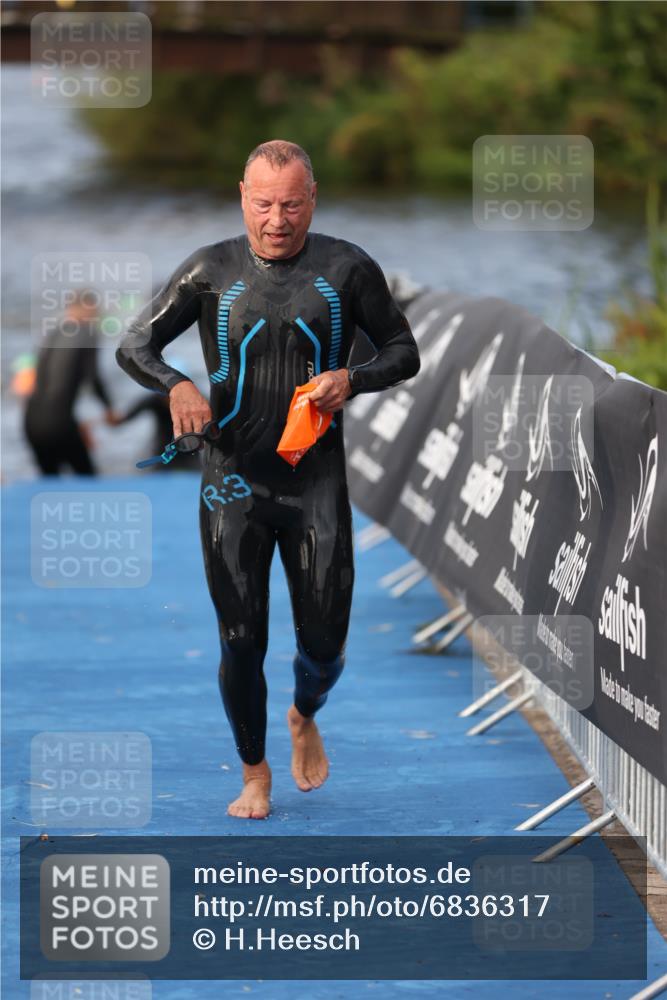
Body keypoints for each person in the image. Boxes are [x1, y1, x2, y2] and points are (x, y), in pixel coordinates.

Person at [116, 140, 420, 819]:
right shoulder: (209, 270)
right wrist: (176, 384)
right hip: (230, 485)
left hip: (314, 483)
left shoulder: (346, 268)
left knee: (324, 643)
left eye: (289, 203)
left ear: (311, 200)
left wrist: (354, 377)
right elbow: (134, 344)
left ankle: (304, 712)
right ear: (242, 198)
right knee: (239, 638)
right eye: (262, 203)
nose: (275, 219)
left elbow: (404, 352)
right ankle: (254, 774)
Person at [24, 291, 117, 476]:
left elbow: (40, 379)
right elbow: (93, 379)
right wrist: (109, 409)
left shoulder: (53, 333)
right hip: (59, 422)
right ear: (86, 309)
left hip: (30, 420)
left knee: (49, 481)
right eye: (95, 310)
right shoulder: (87, 334)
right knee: (88, 478)